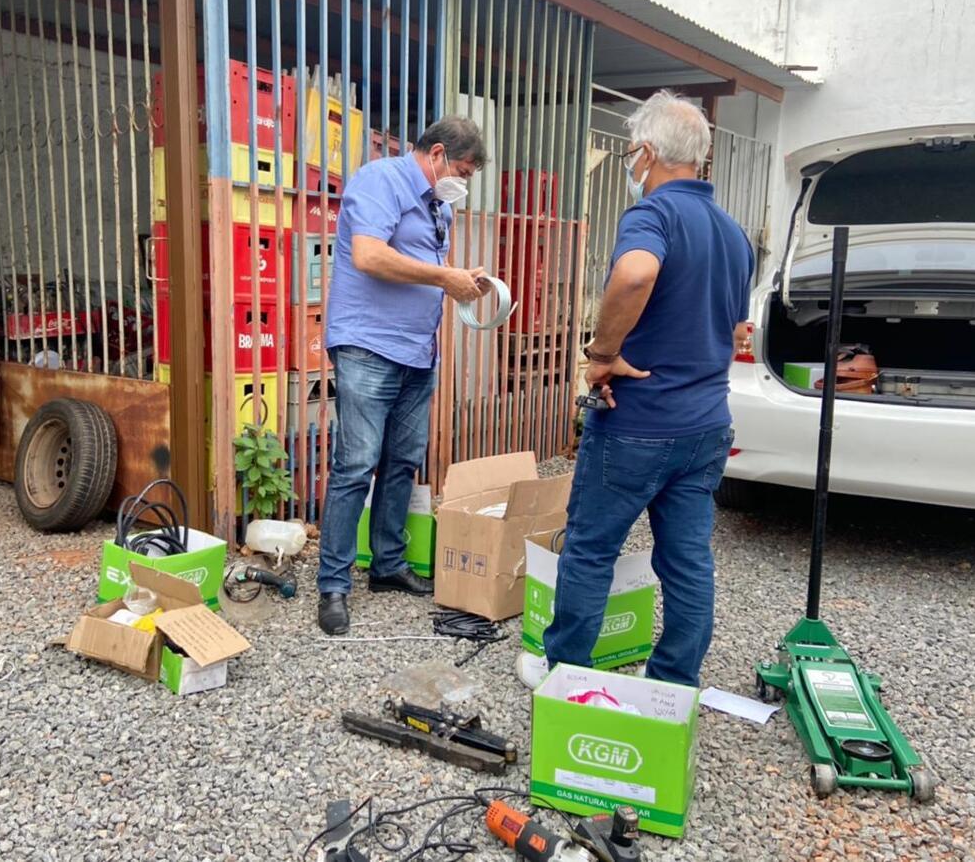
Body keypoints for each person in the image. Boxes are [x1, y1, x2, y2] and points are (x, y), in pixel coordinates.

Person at [517, 91, 754, 689]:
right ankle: (673, 682)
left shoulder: (652, 215)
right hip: (705, 426)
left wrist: (602, 354)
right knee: (688, 560)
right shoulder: (733, 235)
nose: (631, 164)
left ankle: (564, 673)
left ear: (646, 153)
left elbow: (637, 272)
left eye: (630, 153)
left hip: (637, 422)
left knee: (591, 551)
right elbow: (733, 328)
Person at [317, 116, 488, 635]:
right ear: (437, 154)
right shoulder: (380, 180)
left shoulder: (440, 207)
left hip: (417, 351)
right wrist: (444, 276)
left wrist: (465, 280)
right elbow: (368, 255)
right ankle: (333, 584)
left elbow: (424, 267)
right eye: (461, 169)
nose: (463, 181)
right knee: (357, 464)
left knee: (402, 462)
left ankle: (387, 565)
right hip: (369, 344)